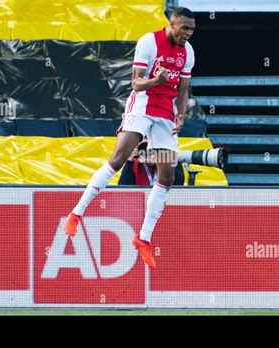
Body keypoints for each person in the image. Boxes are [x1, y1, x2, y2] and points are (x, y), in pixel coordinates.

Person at [63, 7, 195, 270]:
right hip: (142, 108)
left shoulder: (188, 52)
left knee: (167, 175)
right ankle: (76, 213)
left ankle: (143, 238)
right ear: (172, 25)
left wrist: (181, 114)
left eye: (191, 30)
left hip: (165, 117)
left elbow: (183, 89)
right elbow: (135, 84)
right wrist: (156, 81)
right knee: (119, 158)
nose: (188, 34)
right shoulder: (149, 42)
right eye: (184, 29)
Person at [117, 139, 185, 186]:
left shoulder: (167, 160)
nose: (148, 151)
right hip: (141, 202)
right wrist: (129, 161)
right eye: (145, 146)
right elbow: (123, 188)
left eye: (152, 148)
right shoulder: (134, 163)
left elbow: (178, 186)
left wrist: (161, 161)